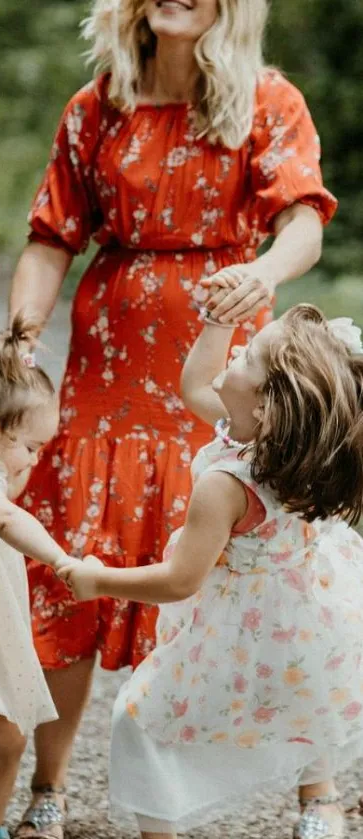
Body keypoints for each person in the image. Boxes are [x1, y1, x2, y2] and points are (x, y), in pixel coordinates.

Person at [9, 0, 337, 834]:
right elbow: (51, 235)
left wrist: (263, 273)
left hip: (223, 363)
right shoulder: (94, 109)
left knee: (268, 572)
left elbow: (303, 218)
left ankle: (316, 793)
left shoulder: (269, 100)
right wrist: (22, 330)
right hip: (107, 370)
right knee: (74, 561)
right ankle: (49, 788)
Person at [60, 302, 363, 839]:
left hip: (243, 624)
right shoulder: (298, 449)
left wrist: (97, 580)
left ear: (267, 405)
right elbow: (199, 385)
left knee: (140, 719)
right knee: (308, 698)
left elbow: (180, 580)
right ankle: (317, 796)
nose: (238, 348)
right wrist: (218, 323)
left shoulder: (226, 484)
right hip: (306, 614)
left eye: (247, 353)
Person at [0, 316, 76, 839]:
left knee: (7, 740)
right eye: (31, 448)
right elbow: (6, 518)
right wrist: (62, 560)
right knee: (5, 740)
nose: (34, 461)